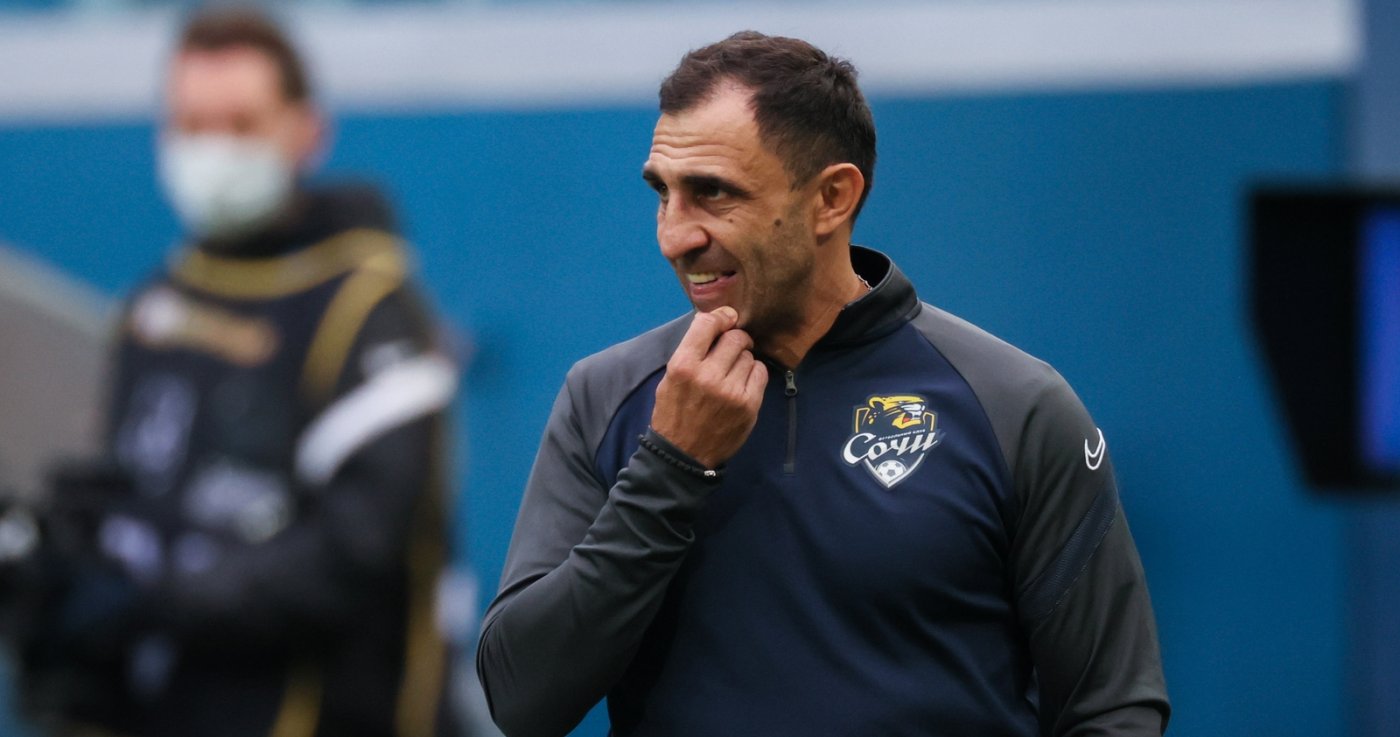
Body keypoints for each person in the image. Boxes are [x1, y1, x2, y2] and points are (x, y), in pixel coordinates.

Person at [477, 31, 1170, 737]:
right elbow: (521, 700)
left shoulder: (1014, 404)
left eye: (712, 192)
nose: (674, 236)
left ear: (832, 198)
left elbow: (1112, 709)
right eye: (664, 193)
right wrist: (671, 466)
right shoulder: (606, 398)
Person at [12, 8, 468, 737]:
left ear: (307, 131)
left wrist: (152, 599)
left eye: (241, 123)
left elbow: (354, 554)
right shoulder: (155, 305)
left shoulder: (366, 309)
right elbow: (136, 498)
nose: (214, 150)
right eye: (192, 124)